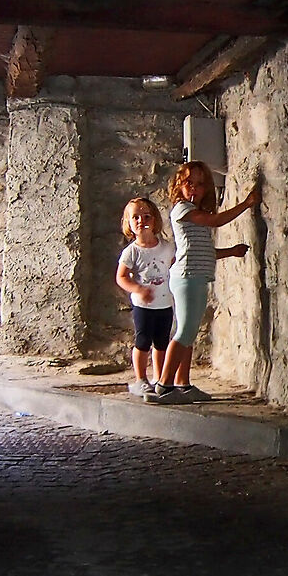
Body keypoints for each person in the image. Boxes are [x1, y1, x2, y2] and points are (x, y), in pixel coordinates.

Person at [157, 161, 257, 403]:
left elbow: (203, 251)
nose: (194, 188)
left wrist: (231, 251)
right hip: (188, 277)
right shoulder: (183, 209)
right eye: (189, 183)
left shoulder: (193, 214)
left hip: (195, 277)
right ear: (179, 185)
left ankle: (183, 384)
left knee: (188, 332)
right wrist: (246, 203)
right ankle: (164, 385)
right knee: (184, 332)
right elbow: (217, 221)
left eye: (200, 184)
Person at [114, 198, 175, 399]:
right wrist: (138, 289)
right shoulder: (132, 252)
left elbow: (175, 266)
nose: (142, 221)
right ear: (129, 223)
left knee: (161, 342)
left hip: (164, 303)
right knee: (143, 341)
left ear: (155, 219)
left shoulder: (167, 248)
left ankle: (160, 379)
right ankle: (140, 380)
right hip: (143, 306)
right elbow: (121, 277)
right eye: (136, 217)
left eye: (147, 216)